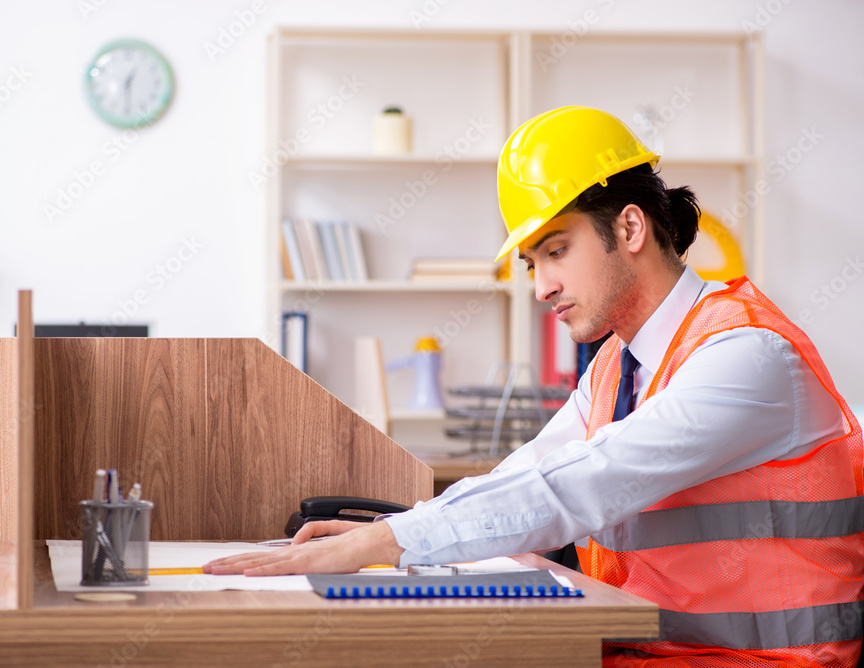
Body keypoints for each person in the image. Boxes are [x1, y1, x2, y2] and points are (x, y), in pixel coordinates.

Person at [207, 106, 864, 665]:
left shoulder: (746, 355)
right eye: (532, 263)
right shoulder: (619, 366)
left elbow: (580, 485)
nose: (541, 287)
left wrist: (380, 543)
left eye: (555, 251)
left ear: (630, 227)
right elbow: (530, 472)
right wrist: (395, 527)